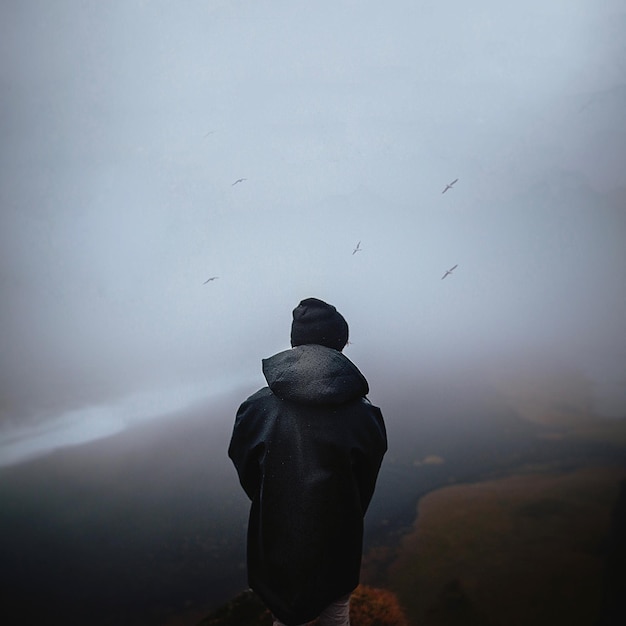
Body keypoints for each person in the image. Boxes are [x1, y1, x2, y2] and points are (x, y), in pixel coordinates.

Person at [228, 297, 387, 626]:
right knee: (336, 615)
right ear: (340, 342)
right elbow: (365, 483)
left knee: (284, 619)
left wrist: (276, 503)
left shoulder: (255, 408)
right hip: (340, 543)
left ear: (295, 341)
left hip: (276, 542)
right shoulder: (365, 414)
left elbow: (246, 471)